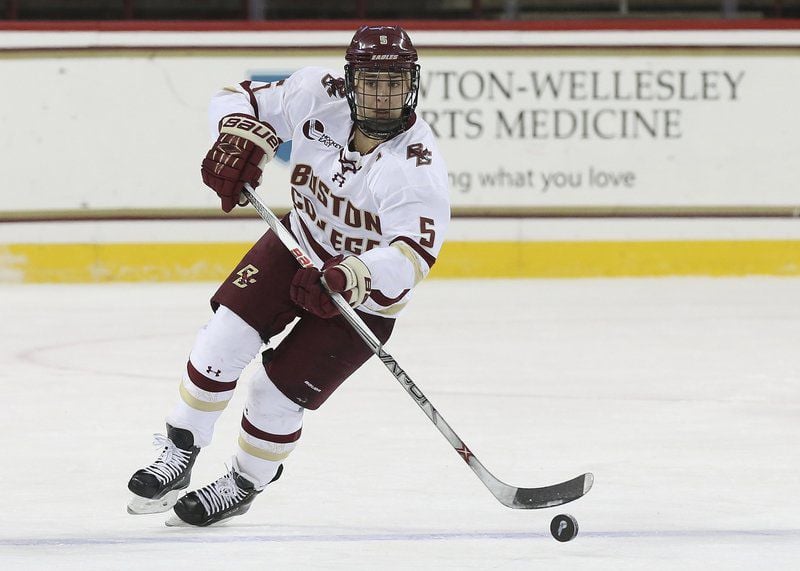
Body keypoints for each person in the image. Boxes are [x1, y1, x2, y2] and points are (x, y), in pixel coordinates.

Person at [126, 24, 450, 527]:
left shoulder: (415, 165)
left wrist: (353, 273)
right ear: (350, 80)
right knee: (222, 339)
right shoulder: (315, 93)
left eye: (394, 82)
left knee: (273, 394)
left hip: (359, 295)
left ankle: (242, 483)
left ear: (412, 83)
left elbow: (412, 257)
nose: (382, 96)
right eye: (371, 81)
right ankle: (179, 449)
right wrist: (234, 135)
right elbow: (236, 98)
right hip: (294, 244)